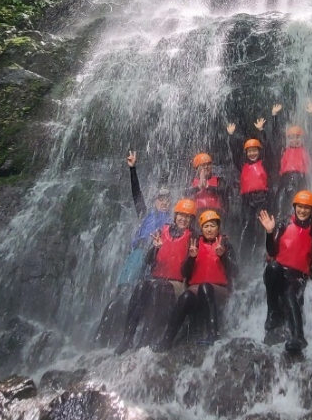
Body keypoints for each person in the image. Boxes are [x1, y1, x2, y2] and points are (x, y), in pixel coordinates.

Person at [94, 151, 171, 345]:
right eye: (160, 199)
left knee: (142, 296)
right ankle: (101, 337)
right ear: (154, 201)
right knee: (122, 293)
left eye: (167, 199)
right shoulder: (146, 214)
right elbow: (136, 193)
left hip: (155, 257)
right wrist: (132, 169)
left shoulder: (172, 221)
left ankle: (134, 337)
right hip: (138, 254)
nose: (164, 202)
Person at [114, 198, 198, 354]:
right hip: (157, 279)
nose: (183, 219)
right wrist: (155, 249)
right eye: (181, 215)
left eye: (188, 217)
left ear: (192, 220)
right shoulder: (162, 231)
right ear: (175, 216)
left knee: (159, 286)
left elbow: (189, 272)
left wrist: (192, 257)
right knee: (141, 286)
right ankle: (127, 337)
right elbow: (148, 262)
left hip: (178, 283)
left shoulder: (194, 238)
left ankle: (145, 338)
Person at [155, 210, 237, 350]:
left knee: (205, 287)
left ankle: (213, 334)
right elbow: (184, 272)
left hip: (219, 290)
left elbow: (235, 272)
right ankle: (167, 339)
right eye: (206, 226)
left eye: (212, 225)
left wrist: (223, 256)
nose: (209, 229)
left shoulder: (225, 244)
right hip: (196, 288)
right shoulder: (195, 244)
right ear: (201, 228)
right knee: (186, 296)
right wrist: (192, 258)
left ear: (218, 227)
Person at [258, 191, 312, 354]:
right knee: (273, 267)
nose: (302, 210)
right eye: (299, 207)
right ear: (294, 207)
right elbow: (272, 251)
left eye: (306, 208)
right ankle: (272, 313)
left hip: (298, 277)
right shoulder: (284, 224)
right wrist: (270, 232)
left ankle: (298, 337)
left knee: (289, 293)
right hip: (278, 273)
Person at [226, 119, 271, 260]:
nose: (252, 153)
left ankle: (266, 251)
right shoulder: (242, 164)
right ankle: (244, 255)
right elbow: (234, 152)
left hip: (262, 198)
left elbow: (268, 148)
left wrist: (261, 131)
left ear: (259, 151)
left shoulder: (265, 162)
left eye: (254, 151)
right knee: (246, 225)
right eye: (249, 151)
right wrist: (231, 136)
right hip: (247, 199)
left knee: (262, 225)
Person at [270, 101, 312, 219]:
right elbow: (275, 136)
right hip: (285, 180)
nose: (294, 140)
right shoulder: (283, 150)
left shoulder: (308, 150)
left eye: (297, 137)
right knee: (279, 208)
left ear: (302, 139)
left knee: (302, 207)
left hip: (301, 179)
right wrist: (274, 117)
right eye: (291, 138)